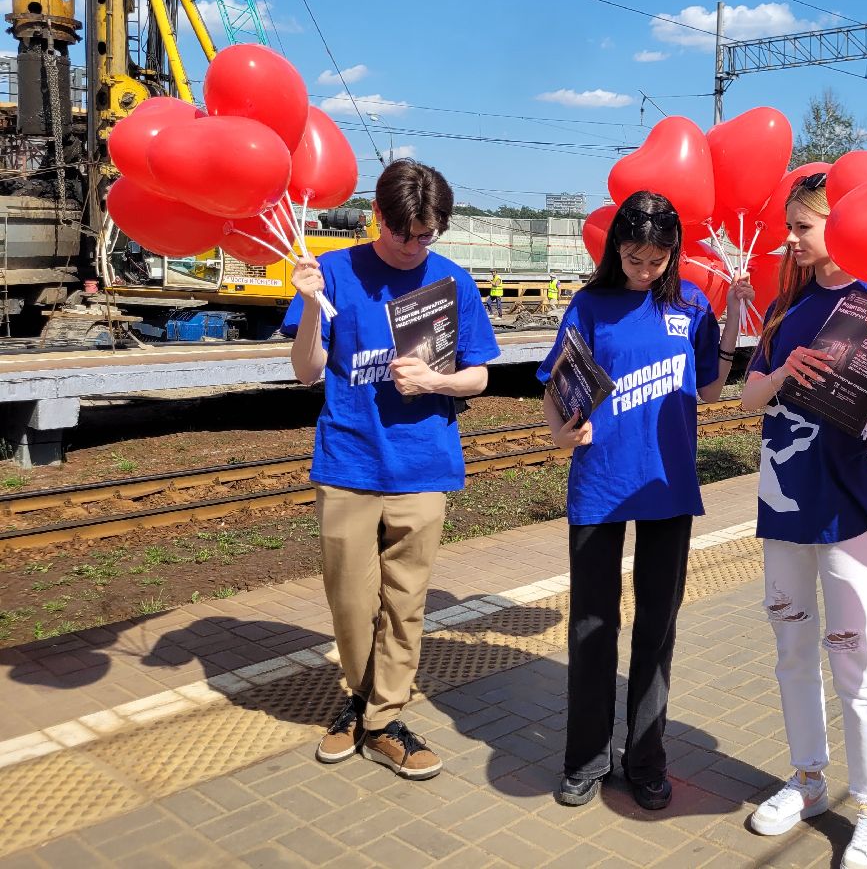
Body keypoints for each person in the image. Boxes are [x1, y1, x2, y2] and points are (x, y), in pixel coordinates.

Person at [285, 160, 500, 779]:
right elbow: (307, 370)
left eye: (427, 236)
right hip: (349, 461)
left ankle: (382, 718)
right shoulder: (333, 273)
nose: (413, 248)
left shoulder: (452, 282)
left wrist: (436, 379)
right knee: (352, 601)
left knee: (405, 603)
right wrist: (304, 307)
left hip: (423, 464)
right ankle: (357, 697)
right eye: (404, 234)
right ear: (376, 216)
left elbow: (480, 375)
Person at [538, 190, 750, 811]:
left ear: (674, 254)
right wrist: (558, 430)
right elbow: (557, 384)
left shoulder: (692, 305)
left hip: (667, 486)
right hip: (599, 486)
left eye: (657, 259)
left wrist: (734, 318)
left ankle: (647, 758)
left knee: (657, 628)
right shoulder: (590, 304)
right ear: (616, 249)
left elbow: (709, 390)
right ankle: (585, 758)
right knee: (592, 627)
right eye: (633, 257)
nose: (644, 268)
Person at [739, 172, 867, 869]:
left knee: (853, 657)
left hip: (848, 511)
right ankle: (808, 779)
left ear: (839, 227)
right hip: (784, 504)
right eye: (789, 225)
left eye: (801, 227)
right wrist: (785, 369)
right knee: (791, 650)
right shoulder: (787, 308)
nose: (790, 238)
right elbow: (752, 395)